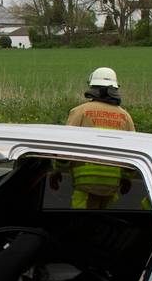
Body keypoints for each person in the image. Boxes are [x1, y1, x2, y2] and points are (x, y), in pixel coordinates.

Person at [51, 67, 135, 209]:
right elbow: (132, 151)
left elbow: (66, 146)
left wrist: (57, 170)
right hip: (112, 184)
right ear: (115, 89)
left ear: (92, 87)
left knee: (83, 221)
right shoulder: (125, 116)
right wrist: (127, 178)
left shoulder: (80, 111)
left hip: (85, 182)